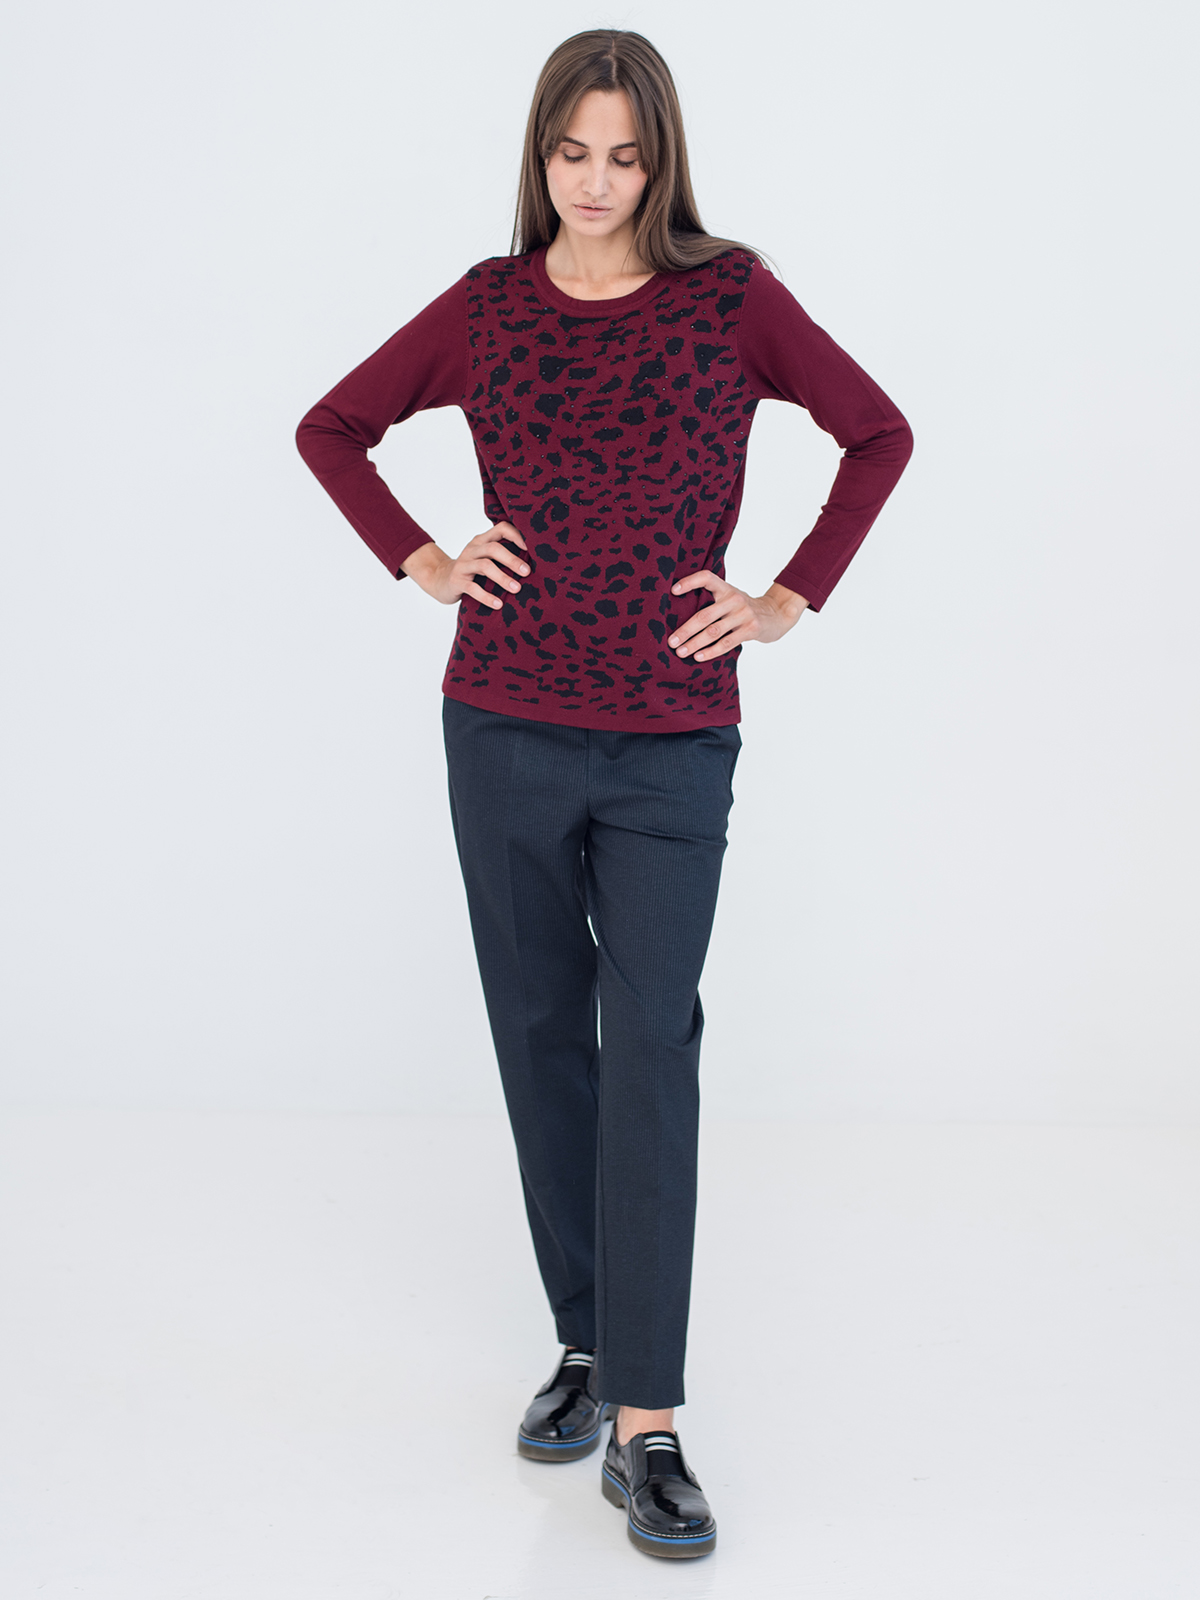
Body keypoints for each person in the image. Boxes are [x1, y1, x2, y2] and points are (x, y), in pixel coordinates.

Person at [296, 28, 912, 1560]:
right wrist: (425, 559)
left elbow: (877, 431)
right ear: (541, 156)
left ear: (661, 164)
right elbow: (333, 427)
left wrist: (786, 597)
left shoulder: (732, 299)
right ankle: (587, 1339)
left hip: (671, 740)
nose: (595, 181)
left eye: (624, 156)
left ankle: (648, 1421)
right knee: (539, 1039)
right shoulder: (488, 308)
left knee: (649, 1044)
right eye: (572, 152)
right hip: (500, 724)